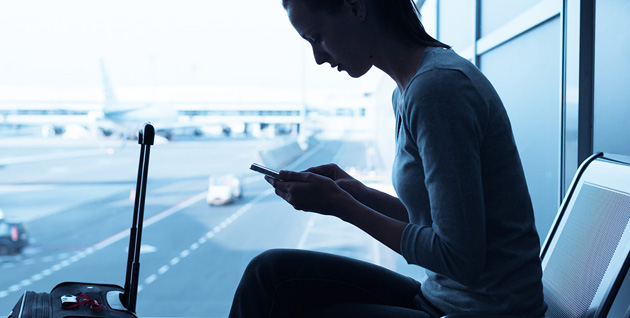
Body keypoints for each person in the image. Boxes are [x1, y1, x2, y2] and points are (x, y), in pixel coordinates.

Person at [228, 0, 547, 316]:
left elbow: (460, 259)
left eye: (317, 38)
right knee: (270, 274)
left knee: (279, 291)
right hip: (444, 298)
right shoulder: (409, 90)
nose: (318, 58)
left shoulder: (437, 90)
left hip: (486, 311)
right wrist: (355, 192)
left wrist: (340, 205)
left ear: (356, 8)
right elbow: (437, 224)